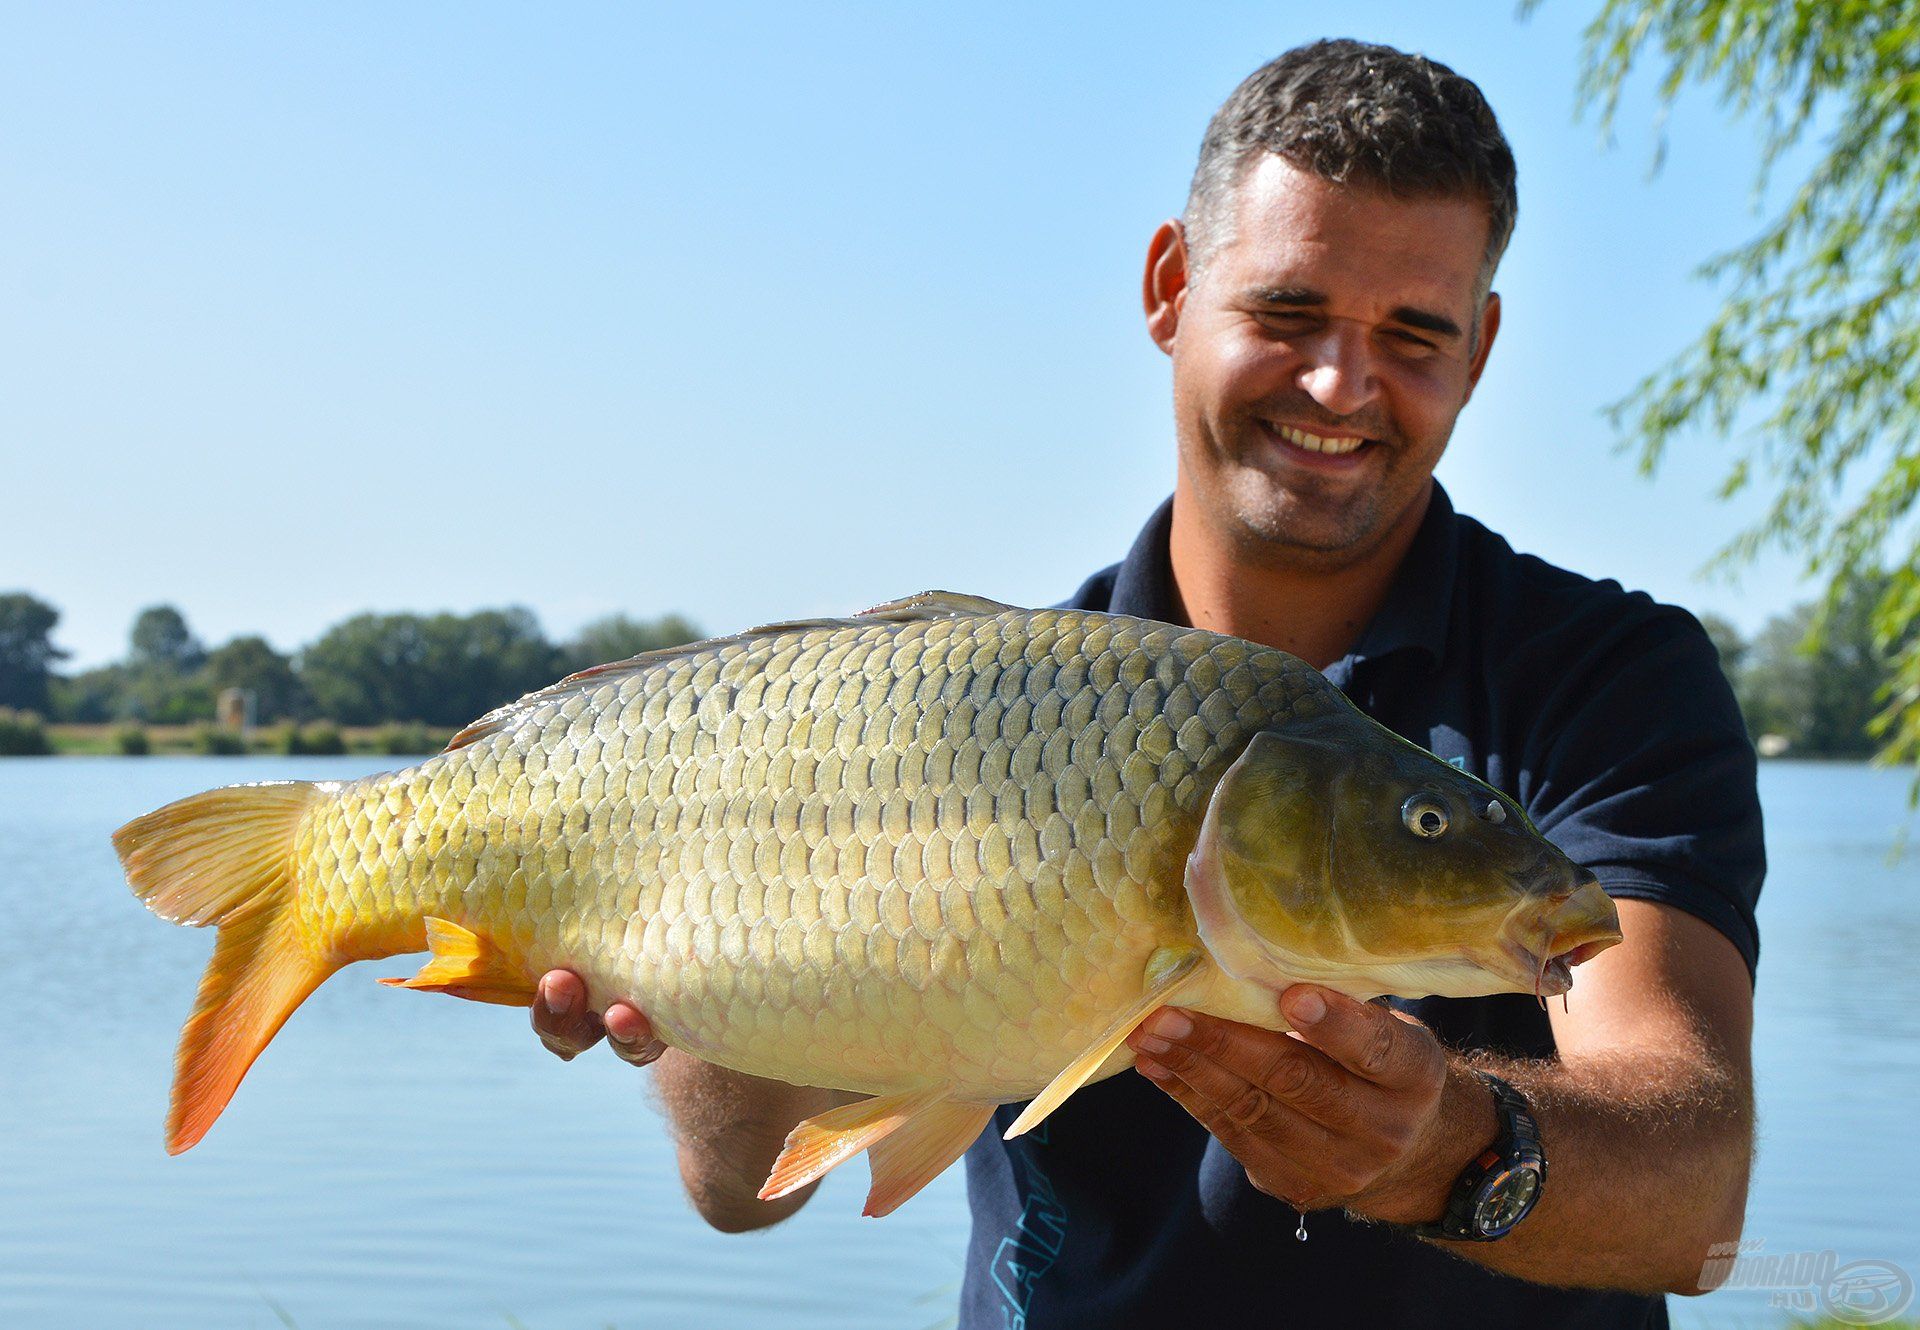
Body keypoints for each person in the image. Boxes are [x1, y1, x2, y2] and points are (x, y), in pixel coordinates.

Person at [532, 39, 1762, 1328]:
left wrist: (1446, 1148)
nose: (1343, 384)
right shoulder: (980, 704)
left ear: (1483, 344)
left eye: (1413, 332)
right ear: (1173, 288)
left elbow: (1697, 1202)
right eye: (1289, 314)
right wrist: (698, 976)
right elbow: (739, 1188)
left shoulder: (1604, 678)